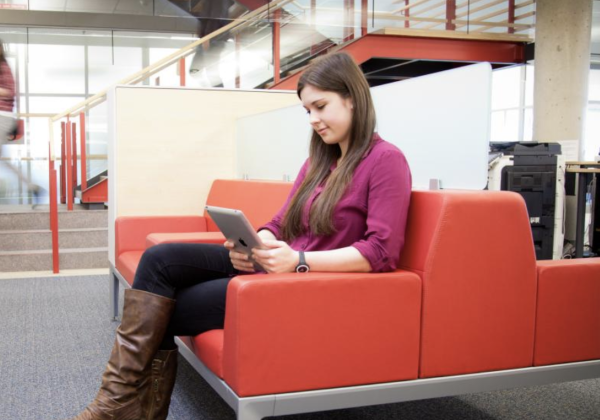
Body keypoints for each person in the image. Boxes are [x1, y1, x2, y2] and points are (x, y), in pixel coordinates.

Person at [66, 51, 412, 420]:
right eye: (307, 111)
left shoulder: (386, 160)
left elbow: (381, 252)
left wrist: (299, 261)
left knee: (164, 310)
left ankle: (117, 410)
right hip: (276, 267)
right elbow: (280, 223)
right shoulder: (319, 162)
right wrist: (255, 242)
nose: (313, 120)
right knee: (159, 260)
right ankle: (115, 405)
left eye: (320, 107)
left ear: (352, 98)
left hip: (306, 284)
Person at [0, 40, 41, 205]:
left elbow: (11, 91)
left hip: (2, 116)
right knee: (3, 160)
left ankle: (32, 186)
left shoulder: (3, 67)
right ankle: (32, 187)